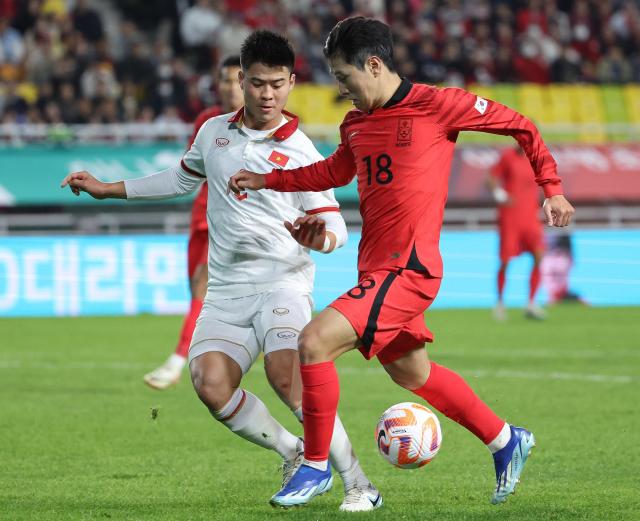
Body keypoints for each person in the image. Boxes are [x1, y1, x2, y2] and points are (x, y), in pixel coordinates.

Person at [228, 16, 575, 509]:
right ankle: (505, 440)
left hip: (409, 270)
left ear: (373, 64)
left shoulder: (439, 106)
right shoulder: (357, 124)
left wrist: (552, 189)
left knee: (314, 341)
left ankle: (315, 465)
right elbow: (332, 171)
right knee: (413, 374)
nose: (342, 89)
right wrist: (267, 181)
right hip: (375, 271)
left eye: (344, 77)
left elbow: (520, 125)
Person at [61, 30, 382, 512]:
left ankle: (359, 484)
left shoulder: (304, 151)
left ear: (292, 82)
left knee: (285, 375)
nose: (267, 94)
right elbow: (179, 176)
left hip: (283, 279)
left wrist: (324, 237)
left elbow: (334, 221)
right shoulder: (214, 132)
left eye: (277, 83)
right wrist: (109, 189)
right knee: (211, 385)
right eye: (257, 83)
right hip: (228, 287)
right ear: (241, 79)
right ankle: (292, 451)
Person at [143, 56, 244, 390]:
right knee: (197, 293)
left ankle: (177, 361)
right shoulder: (206, 121)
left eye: (237, 80)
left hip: (229, 223)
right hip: (200, 216)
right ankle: (234, 347)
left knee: (203, 284)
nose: (231, 87)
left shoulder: (260, 125)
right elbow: (189, 174)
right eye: (225, 80)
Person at [486, 146, 547, 321]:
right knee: (505, 260)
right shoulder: (508, 157)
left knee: (539, 254)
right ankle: (499, 303)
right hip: (511, 216)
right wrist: (499, 193)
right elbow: (490, 178)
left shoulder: (537, 159)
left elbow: (545, 183)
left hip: (530, 216)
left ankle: (531, 303)